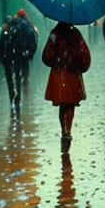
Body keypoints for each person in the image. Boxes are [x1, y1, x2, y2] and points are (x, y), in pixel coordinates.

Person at [42, 21, 91, 153]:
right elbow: (85, 56)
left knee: (62, 104)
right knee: (70, 104)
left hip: (59, 75)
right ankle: (68, 130)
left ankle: (64, 130)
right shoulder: (75, 34)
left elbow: (46, 56)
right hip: (72, 74)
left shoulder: (54, 34)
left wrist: (56, 60)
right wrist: (76, 63)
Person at [0, 9, 39, 110]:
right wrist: (29, 55)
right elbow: (33, 42)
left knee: (10, 77)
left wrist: (3, 59)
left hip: (8, 55)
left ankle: (12, 97)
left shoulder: (9, 25)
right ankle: (23, 94)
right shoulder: (28, 26)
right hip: (23, 55)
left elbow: (1, 45)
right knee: (22, 74)